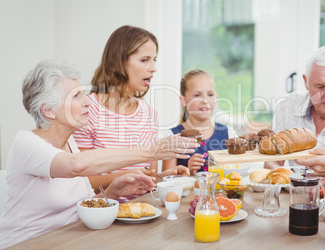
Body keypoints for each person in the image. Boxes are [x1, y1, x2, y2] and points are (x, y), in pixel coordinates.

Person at [0, 59, 197, 248]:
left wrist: (113, 191)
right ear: (49, 110)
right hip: (27, 245)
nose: (88, 103)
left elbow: (82, 206)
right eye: (76, 96)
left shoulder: (70, 143)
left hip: (69, 241)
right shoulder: (26, 144)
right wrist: (154, 150)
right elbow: (75, 166)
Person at [73, 25, 188, 200]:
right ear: (119, 62)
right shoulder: (88, 110)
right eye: (144, 60)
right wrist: (125, 177)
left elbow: (148, 177)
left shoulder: (149, 113)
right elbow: (79, 180)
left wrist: (163, 176)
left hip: (143, 213)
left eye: (154, 60)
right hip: (102, 214)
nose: (153, 68)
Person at [162, 69, 237, 175]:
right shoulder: (172, 137)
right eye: (197, 95)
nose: (205, 100)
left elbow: (236, 173)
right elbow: (166, 182)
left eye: (210, 94)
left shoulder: (229, 133)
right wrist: (188, 171)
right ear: (184, 100)